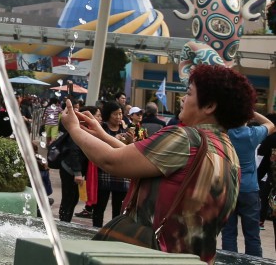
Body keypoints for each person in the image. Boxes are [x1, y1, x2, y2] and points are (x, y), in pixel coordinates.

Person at [61, 64, 251, 264]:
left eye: (189, 93)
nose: (182, 99)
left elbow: (112, 161)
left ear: (209, 106)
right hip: (193, 258)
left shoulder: (186, 138)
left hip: (152, 254)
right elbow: (142, 159)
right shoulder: (229, 152)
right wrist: (101, 134)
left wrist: (73, 128)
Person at [220, 111, 276, 257]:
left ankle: (229, 261)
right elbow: (271, 125)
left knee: (228, 233)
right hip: (250, 188)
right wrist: (253, 113)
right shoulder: (252, 134)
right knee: (252, 234)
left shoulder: (224, 133)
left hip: (229, 187)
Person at [90, 101, 131, 227]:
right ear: (108, 114)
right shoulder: (102, 128)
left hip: (121, 175)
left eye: (120, 114)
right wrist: (113, 139)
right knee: (99, 207)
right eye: (115, 114)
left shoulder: (126, 129)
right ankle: (96, 230)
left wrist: (131, 140)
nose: (119, 117)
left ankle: (114, 233)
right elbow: (95, 146)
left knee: (119, 210)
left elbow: (130, 150)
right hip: (104, 173)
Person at [57, 127, 88, 223]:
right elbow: (74, 152)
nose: (99, 119)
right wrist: (77, 172)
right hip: (69, 170)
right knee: (69, 198)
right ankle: (63, 222)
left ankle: (65, 221)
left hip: (76, 170)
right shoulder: (77, 132)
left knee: (74, 198)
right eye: (98, 115)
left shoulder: (86, 131)